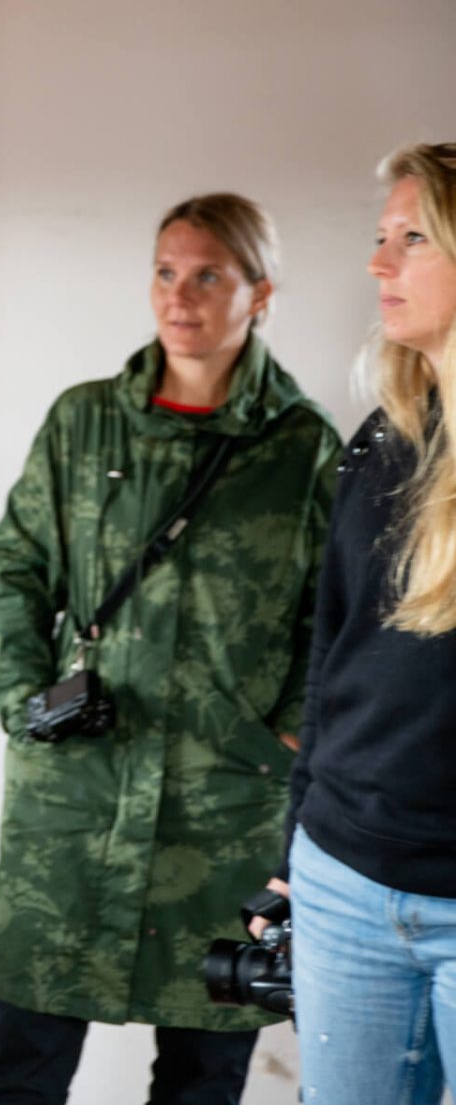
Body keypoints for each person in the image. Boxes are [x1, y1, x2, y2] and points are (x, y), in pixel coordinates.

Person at [0, 193, 341, 1104]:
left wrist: (290, 733)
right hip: (78, 794)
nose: (181, 298)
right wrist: (25, 704)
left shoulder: (303, 452)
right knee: (26, 1054)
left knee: (204, 1071)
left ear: (260, 293)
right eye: (167, 272)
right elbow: (17, 570)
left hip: (225, 808)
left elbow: (334, 618)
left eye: (208, 275)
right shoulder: (84, 423)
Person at [266, 143, 456, 1104]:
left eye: (412, 239)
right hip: (343, 879)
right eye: (378, 238)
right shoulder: (381, 438)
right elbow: (330, 657)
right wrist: (296, 842)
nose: (379, 264)